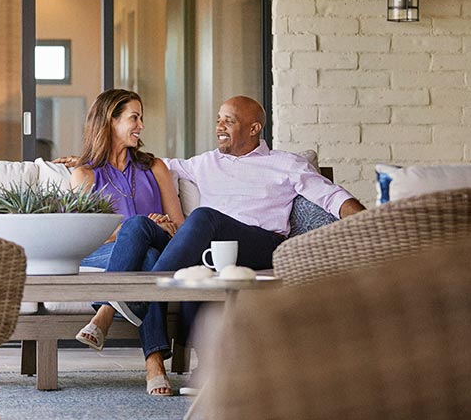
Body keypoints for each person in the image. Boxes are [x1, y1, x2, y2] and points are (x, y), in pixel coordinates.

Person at [60, 95, 366, 396]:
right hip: (214, 250)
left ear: (254, 128)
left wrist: (369, 222)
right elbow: (136, 162)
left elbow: (331, 196)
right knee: (193, 265)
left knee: (204, 218)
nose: (219, 126)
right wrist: (82, 161)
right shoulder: (203, 163)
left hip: (261, 244)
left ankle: (138, 297)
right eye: (218, 119)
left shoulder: (285, 163)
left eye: (228, 121)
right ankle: (204, 366)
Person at [69, 89, 185, 396]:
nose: (141, 125)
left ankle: (105, 309)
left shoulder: (155, 167)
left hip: (160, 242)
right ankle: (155, 365)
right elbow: (83, 237)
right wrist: (130, 229)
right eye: (134, 117)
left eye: (141, 117)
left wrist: (160, 224)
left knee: (144, 237)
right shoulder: (85, 175)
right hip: (105, 253)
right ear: (111, 121)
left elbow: (181, 227)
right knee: (144, 256)